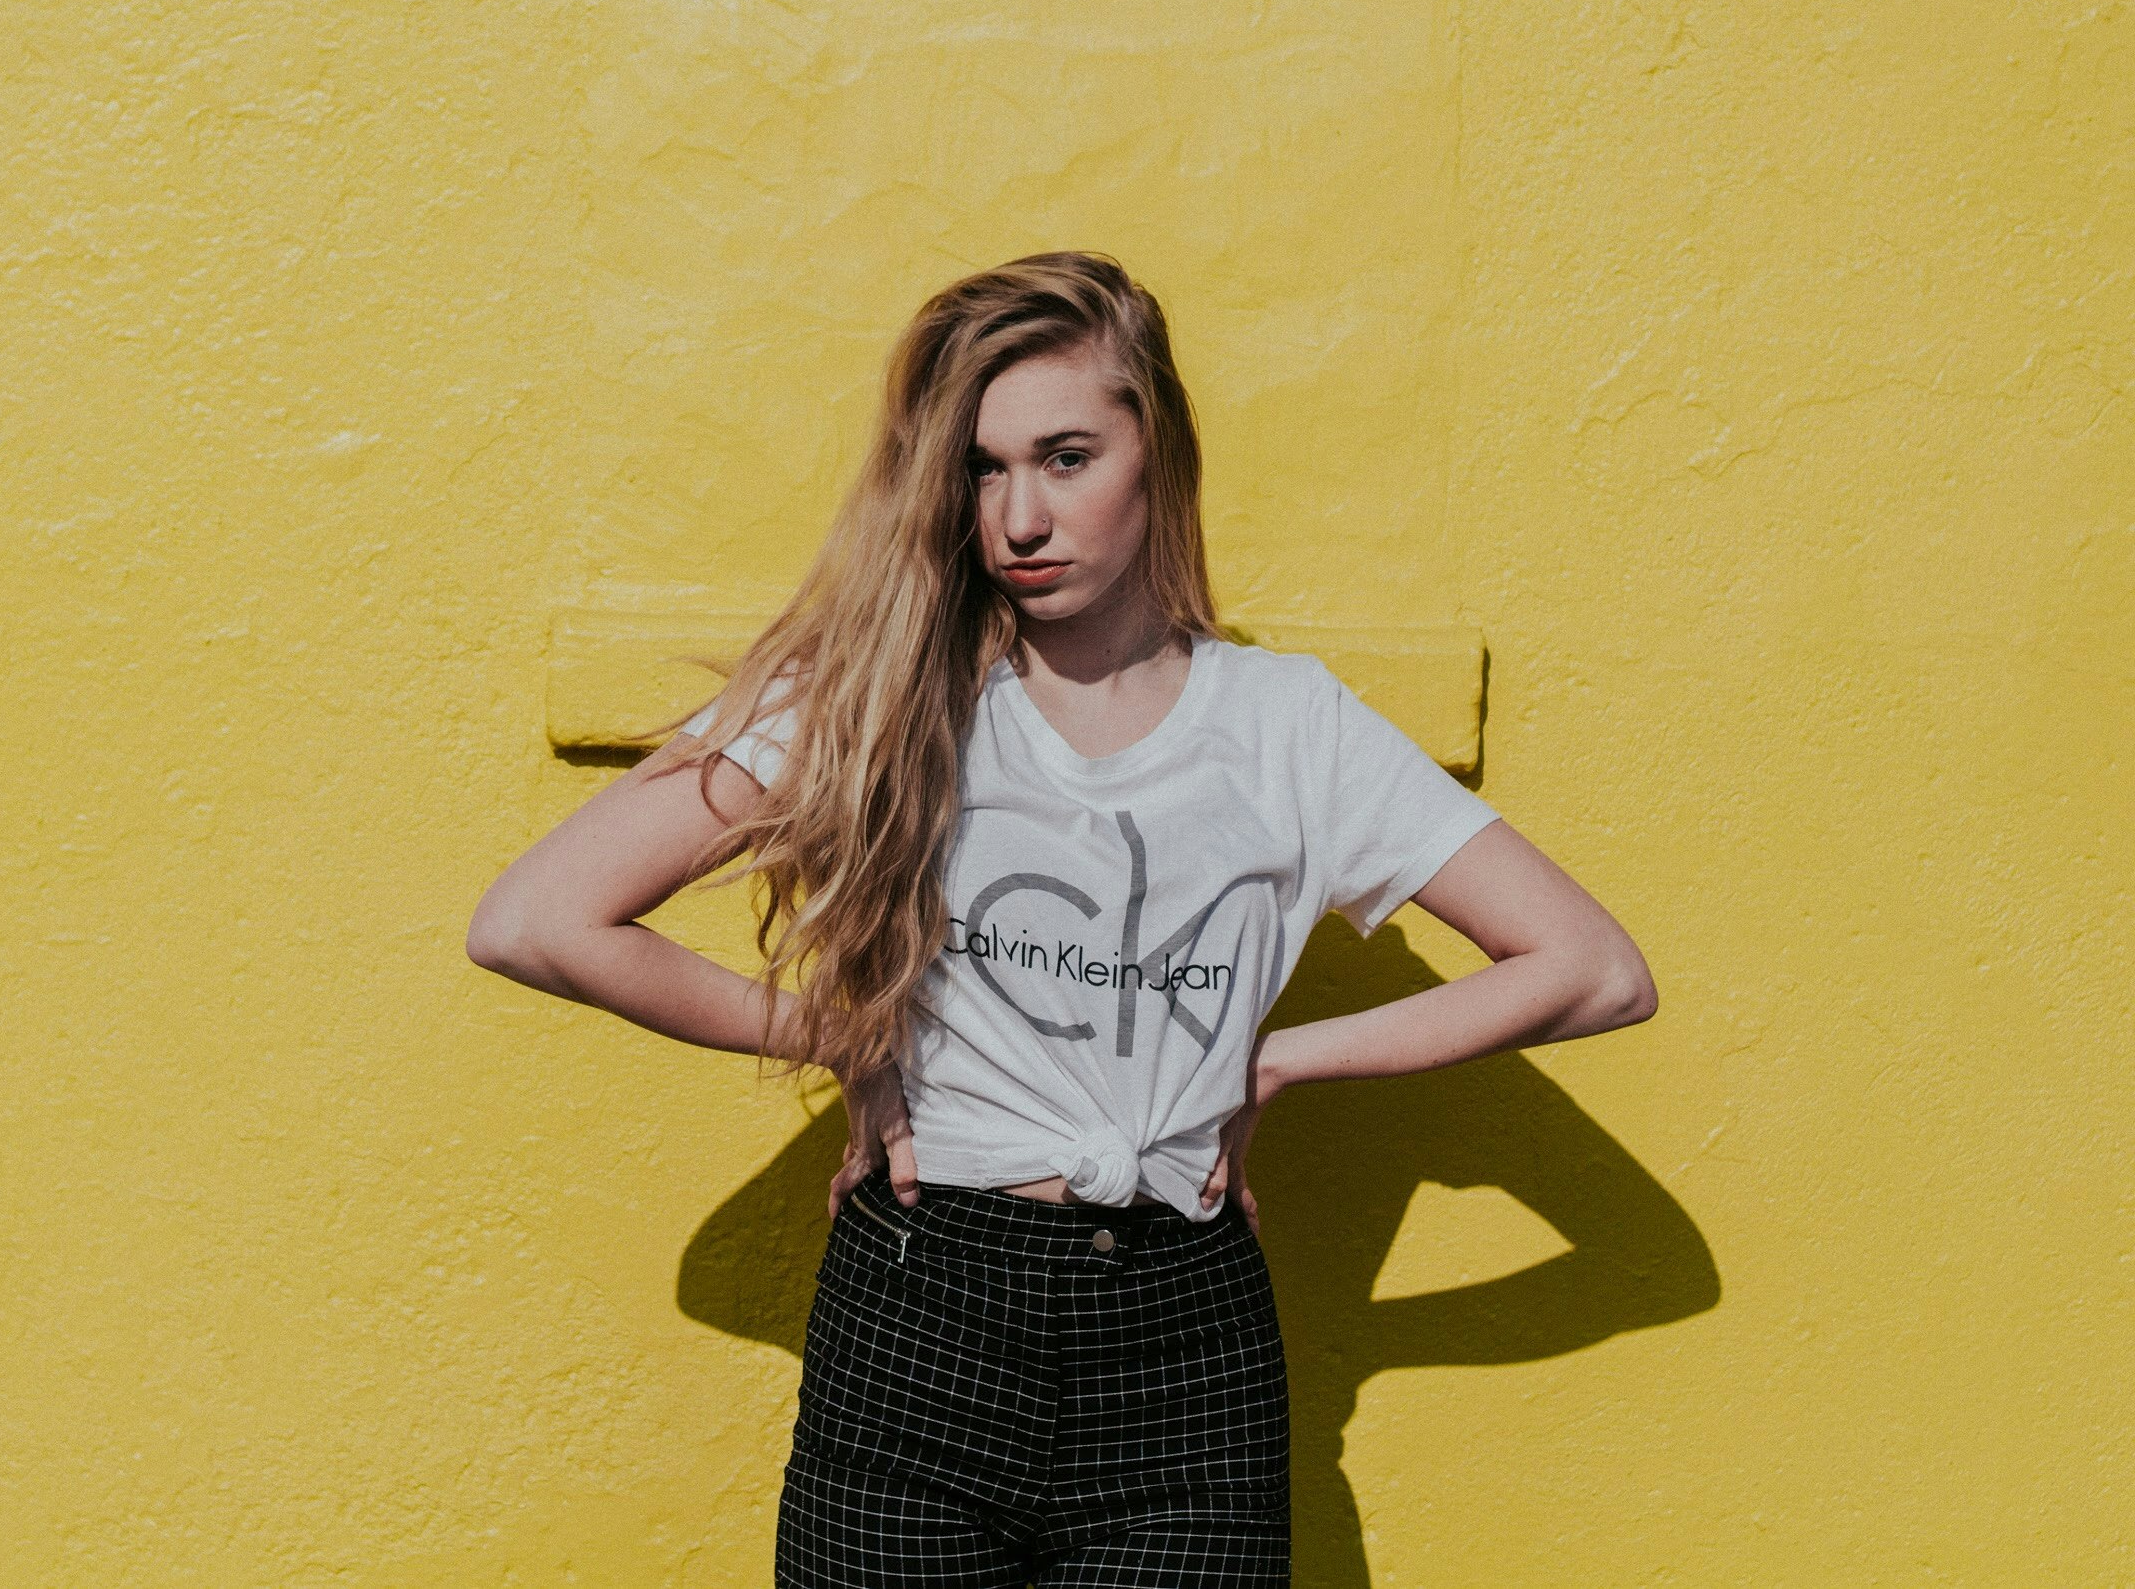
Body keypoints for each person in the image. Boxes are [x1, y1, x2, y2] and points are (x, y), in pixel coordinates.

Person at [465, 251, 1658, 1586]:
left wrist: (1274, 1062)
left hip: (1183, 1364)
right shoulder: (880, 693)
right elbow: (538, 919)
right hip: (917, 1333)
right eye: (984, 468)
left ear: (1161, 455)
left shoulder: (1288, 728)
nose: (1021, 513)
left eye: (1069, 456)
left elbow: (1593, 969)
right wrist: (840, 1038)